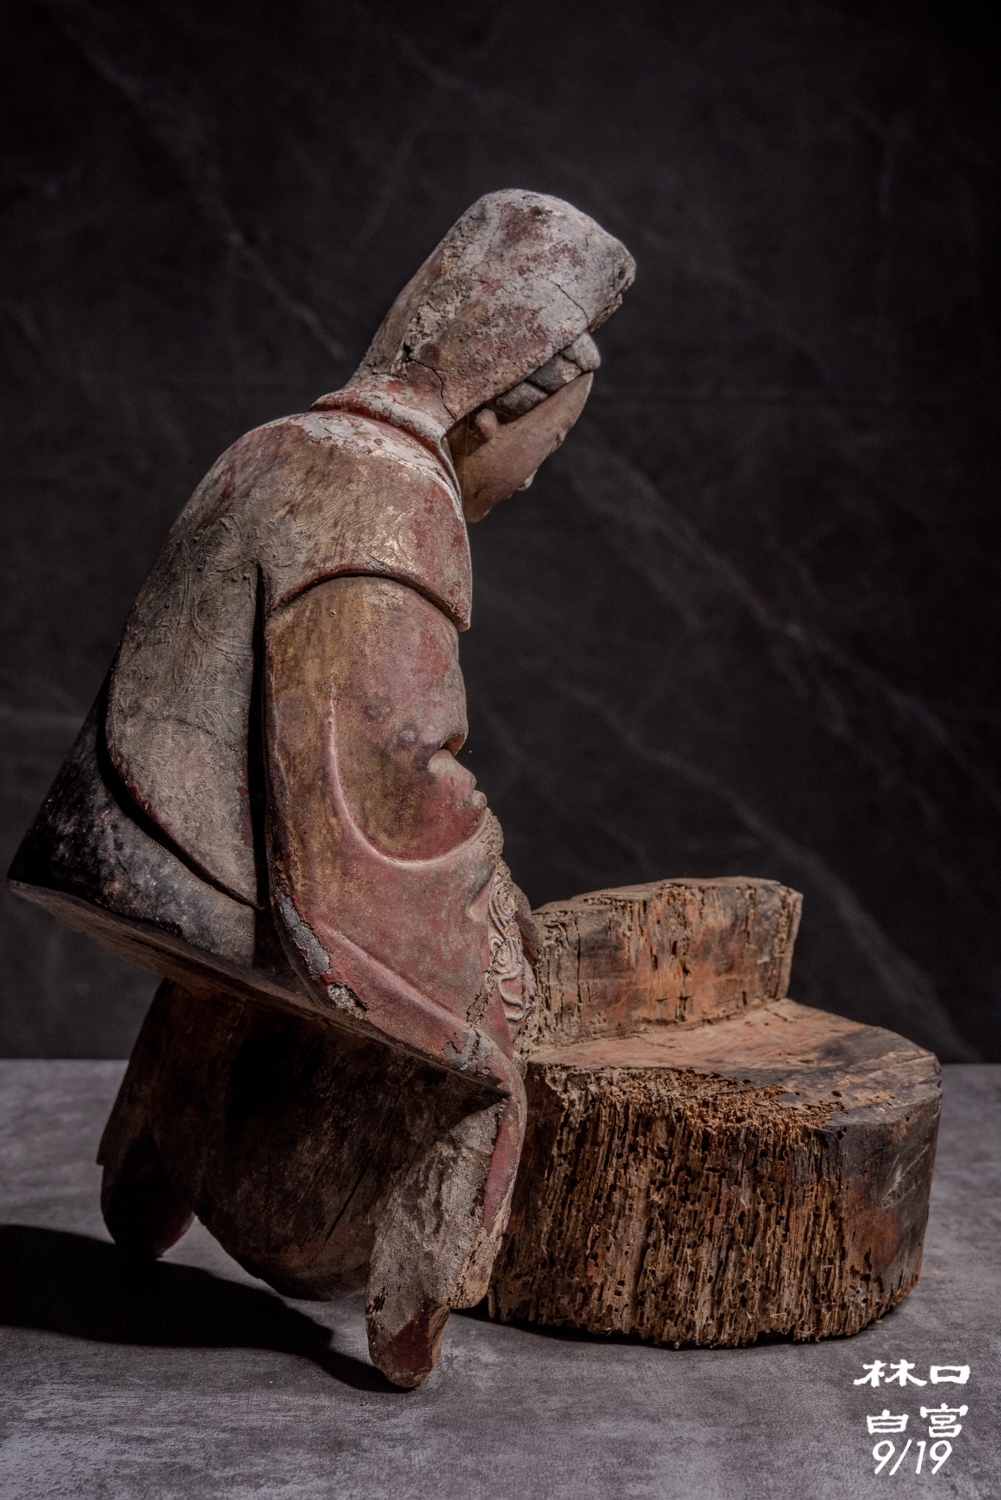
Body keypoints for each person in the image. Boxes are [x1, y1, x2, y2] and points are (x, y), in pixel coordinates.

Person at [9, 189, 634, 1385]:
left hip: (148, 843)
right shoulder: (394, 495)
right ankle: (408, 1311)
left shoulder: (274, 443)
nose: (531, 480)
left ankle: (151, 1170)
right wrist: (480, 859)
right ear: (496, 400)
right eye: (546, 446)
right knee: (496, 1012)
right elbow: (380, 775)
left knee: (276, 956)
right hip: (259, 879)